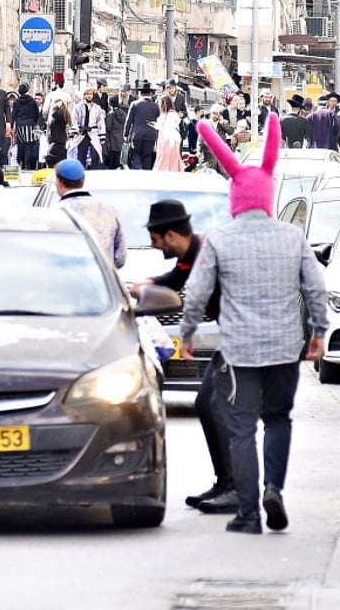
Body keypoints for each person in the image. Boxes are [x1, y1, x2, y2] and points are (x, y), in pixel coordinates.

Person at [181, 117, 328, 534]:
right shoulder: (292, 237)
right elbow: (315, 286)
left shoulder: (220, 239)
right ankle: (273, 488)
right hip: (285, 346)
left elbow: (195, 292)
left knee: (241, 427)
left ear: (235, 198)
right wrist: (318, 331)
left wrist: (189, 332)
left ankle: (248, 514)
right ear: (267, 195)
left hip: (239, 350)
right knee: (279, 419)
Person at [129, 201, 232, 512]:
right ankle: (227, 483)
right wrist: (152, 282)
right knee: (209, 404)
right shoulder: (193, 251)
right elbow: (176, 278)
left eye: (156, 239)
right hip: (233, 334)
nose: (154, 246)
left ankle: (236, 486)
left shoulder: (204, 254)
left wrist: (185, 336)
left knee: (218, 407)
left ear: (171, 235)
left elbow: (196, 297)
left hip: (242, 335)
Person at [54, 158, 126, 268]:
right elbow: (120, 258)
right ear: (83, 180)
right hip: (101, 282)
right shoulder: (109, 210)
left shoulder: (57, 213)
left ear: (59, 181)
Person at [123, 81, 160, 169]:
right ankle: (146, 174)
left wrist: (126, 134)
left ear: (140, 93)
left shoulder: (134, 104)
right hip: (151, 135)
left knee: (136, 154)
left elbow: (129, 120)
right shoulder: (156, 106)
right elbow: (159, 122)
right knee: (147, 156)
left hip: (137, 135)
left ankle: (138, 171)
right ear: (150, 93)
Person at [70, 85, 107, 168]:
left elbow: (101, 122)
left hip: (93, 132)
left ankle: (94, 171)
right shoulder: (78, 107)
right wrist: (75, 131)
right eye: (87, 94)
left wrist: (102, 136)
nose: (89, 96)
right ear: (84, 95)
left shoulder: (97, 108)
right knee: (81, 154)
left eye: (90, 94)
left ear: (93, 95)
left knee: (95, 154)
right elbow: (74, 120)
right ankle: (81, 171)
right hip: (82, 133)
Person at [12, 82, 42, 170]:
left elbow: (14, 114)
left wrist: (13, 125)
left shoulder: (17, 101)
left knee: (21, 144)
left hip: (20, 124)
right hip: (30, 124)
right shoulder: (32, 101)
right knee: (30, 144)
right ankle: (27, 164)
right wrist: (35, 122)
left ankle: (21, 163)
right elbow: (36, 113)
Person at [152, 95, 184, 172]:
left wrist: (156, 125)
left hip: (166, 138)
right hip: (172, 138)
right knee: (172, 157)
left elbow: (165, 127)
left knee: (164, 156)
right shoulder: (173, 114)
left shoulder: (167, 115)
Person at [45, 96, 71, 167]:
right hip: (59, 141)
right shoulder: (62, 115)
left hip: (58, 141)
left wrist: (56, 106)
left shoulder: (61, 115)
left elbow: (54, 114)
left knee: (51, 159)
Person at [104, 95, 129, 169]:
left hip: (112, 139)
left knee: (112, 159)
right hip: (120, 138)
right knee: (119, 158)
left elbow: (108, 127)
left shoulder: (111, 114)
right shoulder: (124, 113)